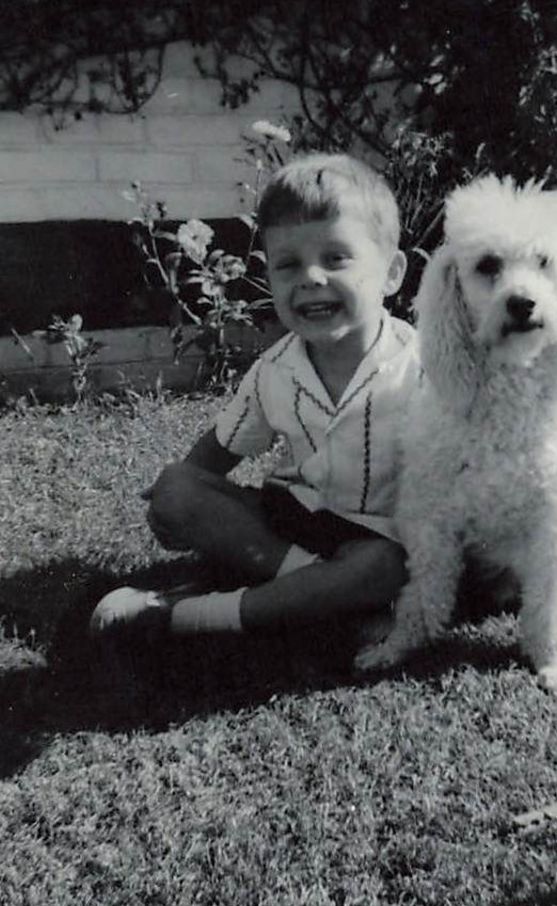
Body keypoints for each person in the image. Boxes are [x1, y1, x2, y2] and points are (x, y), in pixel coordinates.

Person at [89, 152, 418, 647]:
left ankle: (189, 614)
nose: (310, 277)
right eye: (289, 265)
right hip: (293, 525)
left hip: (377, 537)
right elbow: (222, 446)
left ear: (392, 273)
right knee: (177, 486)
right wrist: (175, 505)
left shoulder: (424, 366)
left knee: (381, 567)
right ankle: (319, 593)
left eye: (335, 258)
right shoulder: (276, 369)